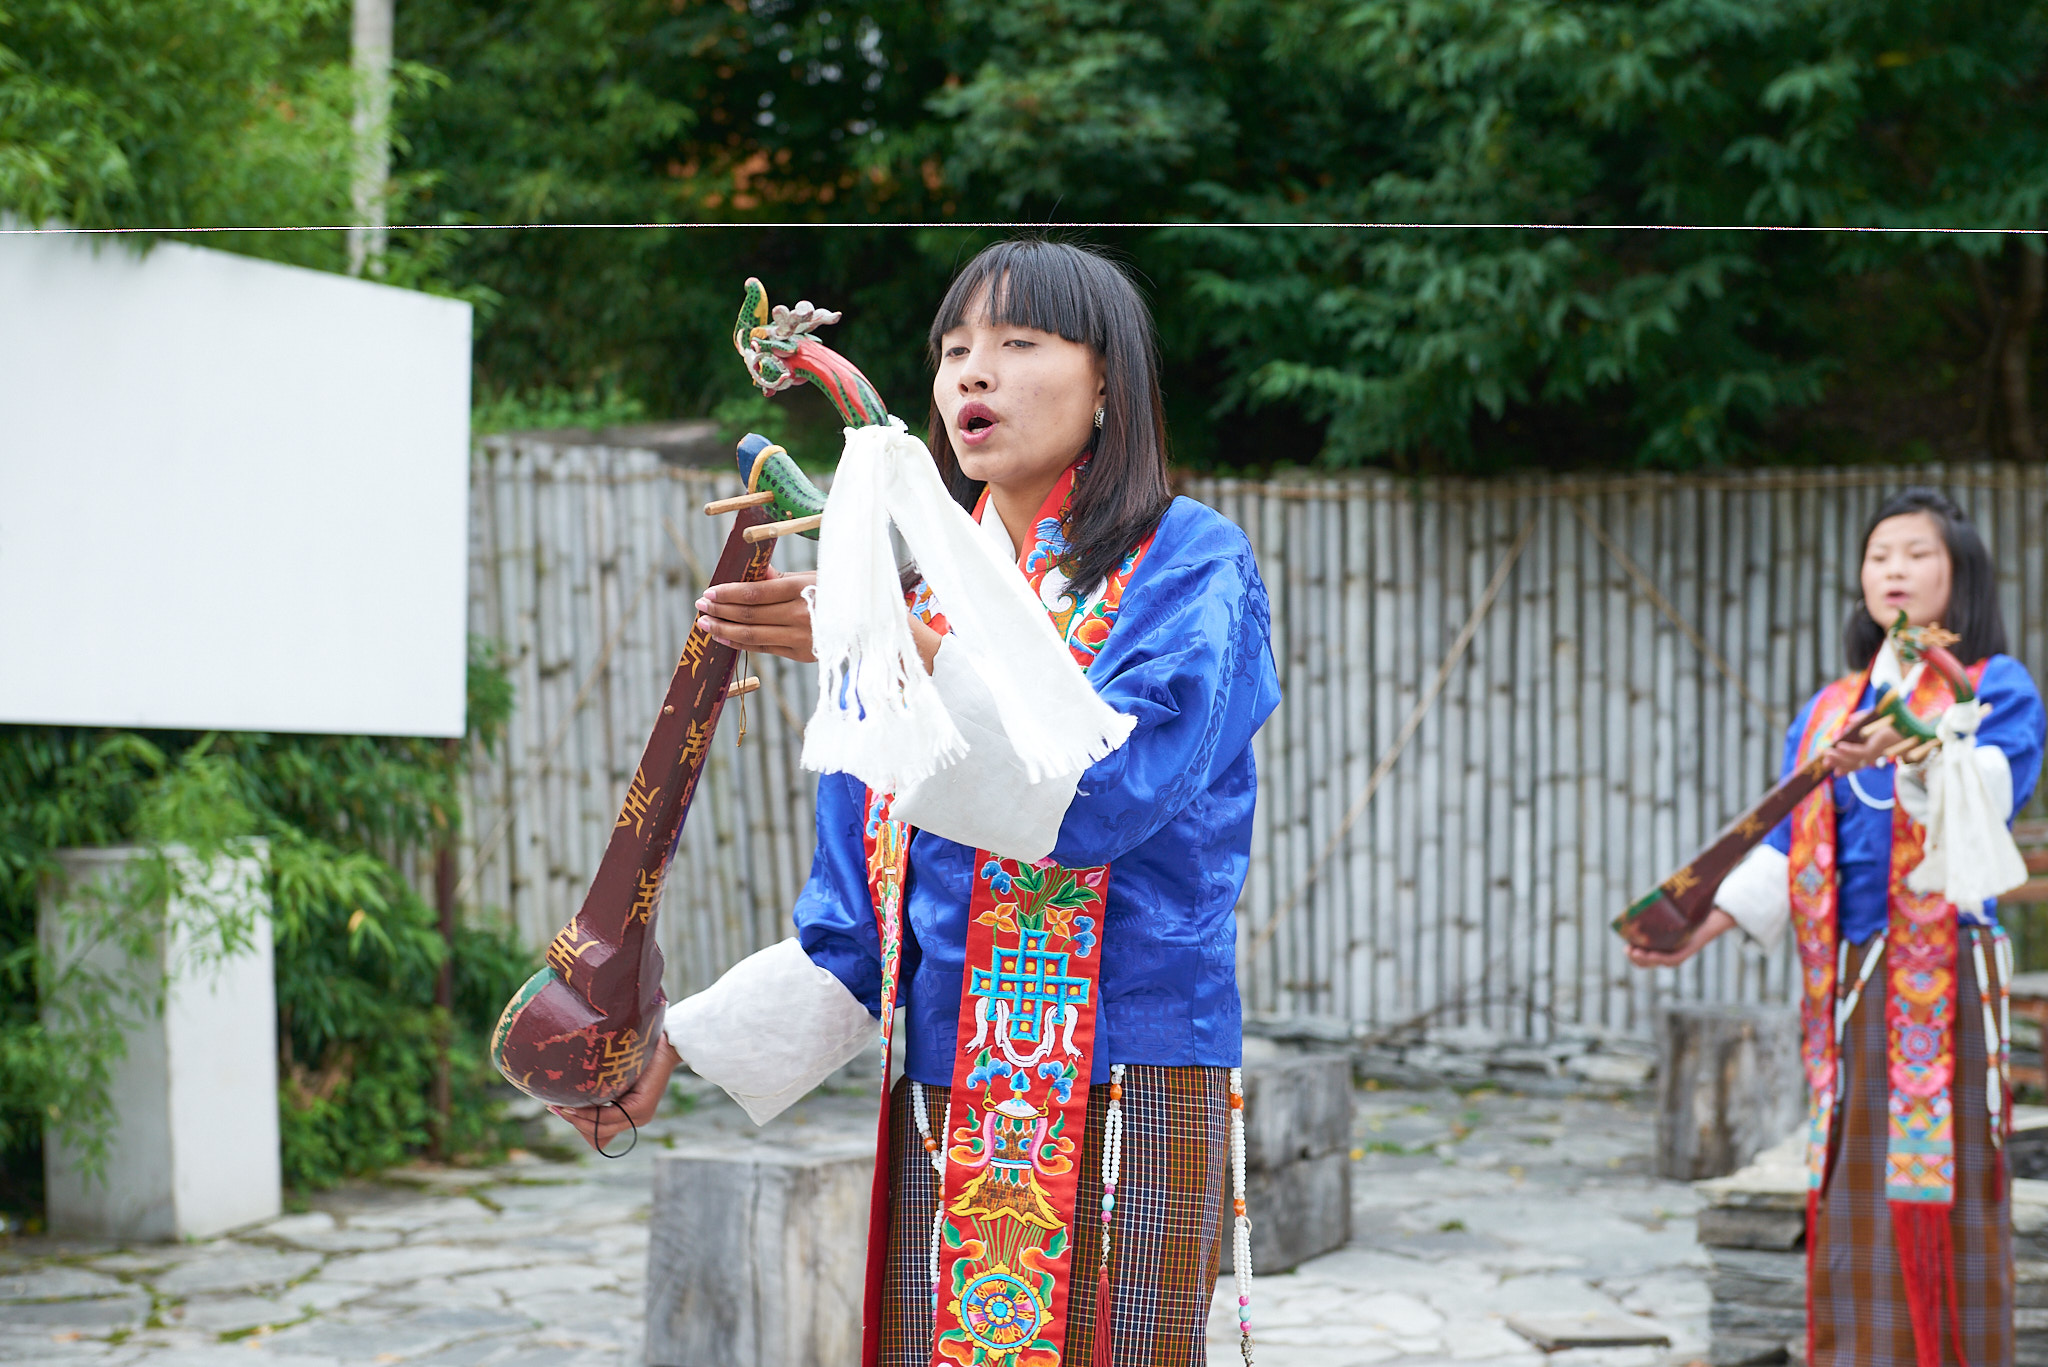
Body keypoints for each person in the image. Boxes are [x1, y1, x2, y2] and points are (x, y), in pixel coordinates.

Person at [555, 239, 1281, 1367]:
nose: (968, 374)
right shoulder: (896, 599)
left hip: (1130, 1082)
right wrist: (674, 1047)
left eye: (1016, 343)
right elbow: (856, 929)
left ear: (1109, 384)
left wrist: (902, 649)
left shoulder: (1190, 566)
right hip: (946, 1089)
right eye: (952, 351)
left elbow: (1100, 797)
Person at [1632, 488, 2044, 1367]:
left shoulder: (1994, 687)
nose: (1893, 568)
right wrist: (1694, 926)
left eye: (1916, 552)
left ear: (1959, 571)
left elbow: (1991, 800)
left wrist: (1919, 742)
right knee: (1850, 1184)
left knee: (1950, 1191)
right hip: (1849, 983)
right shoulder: (1826, 711)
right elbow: (1787, 848)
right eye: (1878, 554)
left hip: (1949, 983)